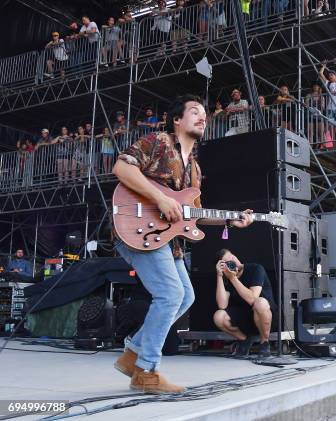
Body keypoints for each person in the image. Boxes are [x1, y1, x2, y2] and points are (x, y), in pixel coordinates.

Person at [111, 94, 255, 393]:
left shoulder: (195, 170)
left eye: (204, 113)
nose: (202, 117)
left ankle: (133, 354)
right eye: (194, 112)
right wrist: (161, 198)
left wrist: (231, 219)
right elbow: (122, 169)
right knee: (170, 293)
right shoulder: (159, 142)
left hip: (168, 240)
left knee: (185, 297)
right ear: (177, 119)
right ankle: (146, 371)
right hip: (139, 229)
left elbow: (195, 215)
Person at [213, 249, 276, 357]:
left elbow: (252, 298)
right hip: (245, 318)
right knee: (218, 316)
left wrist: (233, 279)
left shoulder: (255, 269)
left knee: (259, 302)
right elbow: (222, 305)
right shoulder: (226, 278)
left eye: (232, 257)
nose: (233, 262)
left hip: (265, 316)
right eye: (228, 262)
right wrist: (219, 275)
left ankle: (264, 342)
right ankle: (244, 340)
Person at [319, 60, 336, 141]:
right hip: (330, 108)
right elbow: (320, 74)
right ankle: (332, 142)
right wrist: (324, 66)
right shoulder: (328, 83)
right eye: (329, 75)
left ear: (335, 76)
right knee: (331, 126)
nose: (330, 76)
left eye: (332, 75)